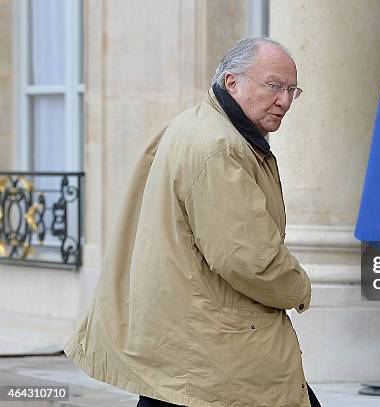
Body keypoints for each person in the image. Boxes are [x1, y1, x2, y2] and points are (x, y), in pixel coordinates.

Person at [64, 37, 321, 407]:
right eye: (273, 86)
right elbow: (249, 260)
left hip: (189, 337)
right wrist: (299, 286)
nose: (283, 100)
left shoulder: (196, 125)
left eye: (291, 90)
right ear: (232, 82)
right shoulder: (222, 147)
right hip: (213, 343)